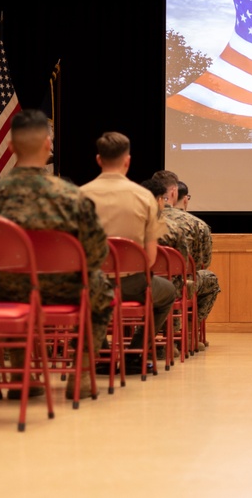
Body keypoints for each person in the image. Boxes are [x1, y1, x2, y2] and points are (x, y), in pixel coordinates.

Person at [0, 109, 113, 400]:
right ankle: (83, 374)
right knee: (101, 290)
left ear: (11, 147)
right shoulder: (70, 196)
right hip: (67, 289)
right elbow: (97, 252)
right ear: (48, 146)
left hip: (10, 290)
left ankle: (22, 374)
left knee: (4, 288)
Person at [79, 131, 177, 369]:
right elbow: (150, 258)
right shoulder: (145, 198)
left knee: (83, 294)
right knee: (168, 292)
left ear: (99, 160)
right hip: (133, 283)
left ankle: (102, 355)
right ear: (127, 161)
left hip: (91, 282)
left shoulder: (79, 196)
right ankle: (135, 353)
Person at [150, 170, 221, 344]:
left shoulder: (138, 219)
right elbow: (202, 263)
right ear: (174, 192)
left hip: (142, 283)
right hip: (180, 285)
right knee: (210, 279)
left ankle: (141, 338)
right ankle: (187, 336)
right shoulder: (196, 224)